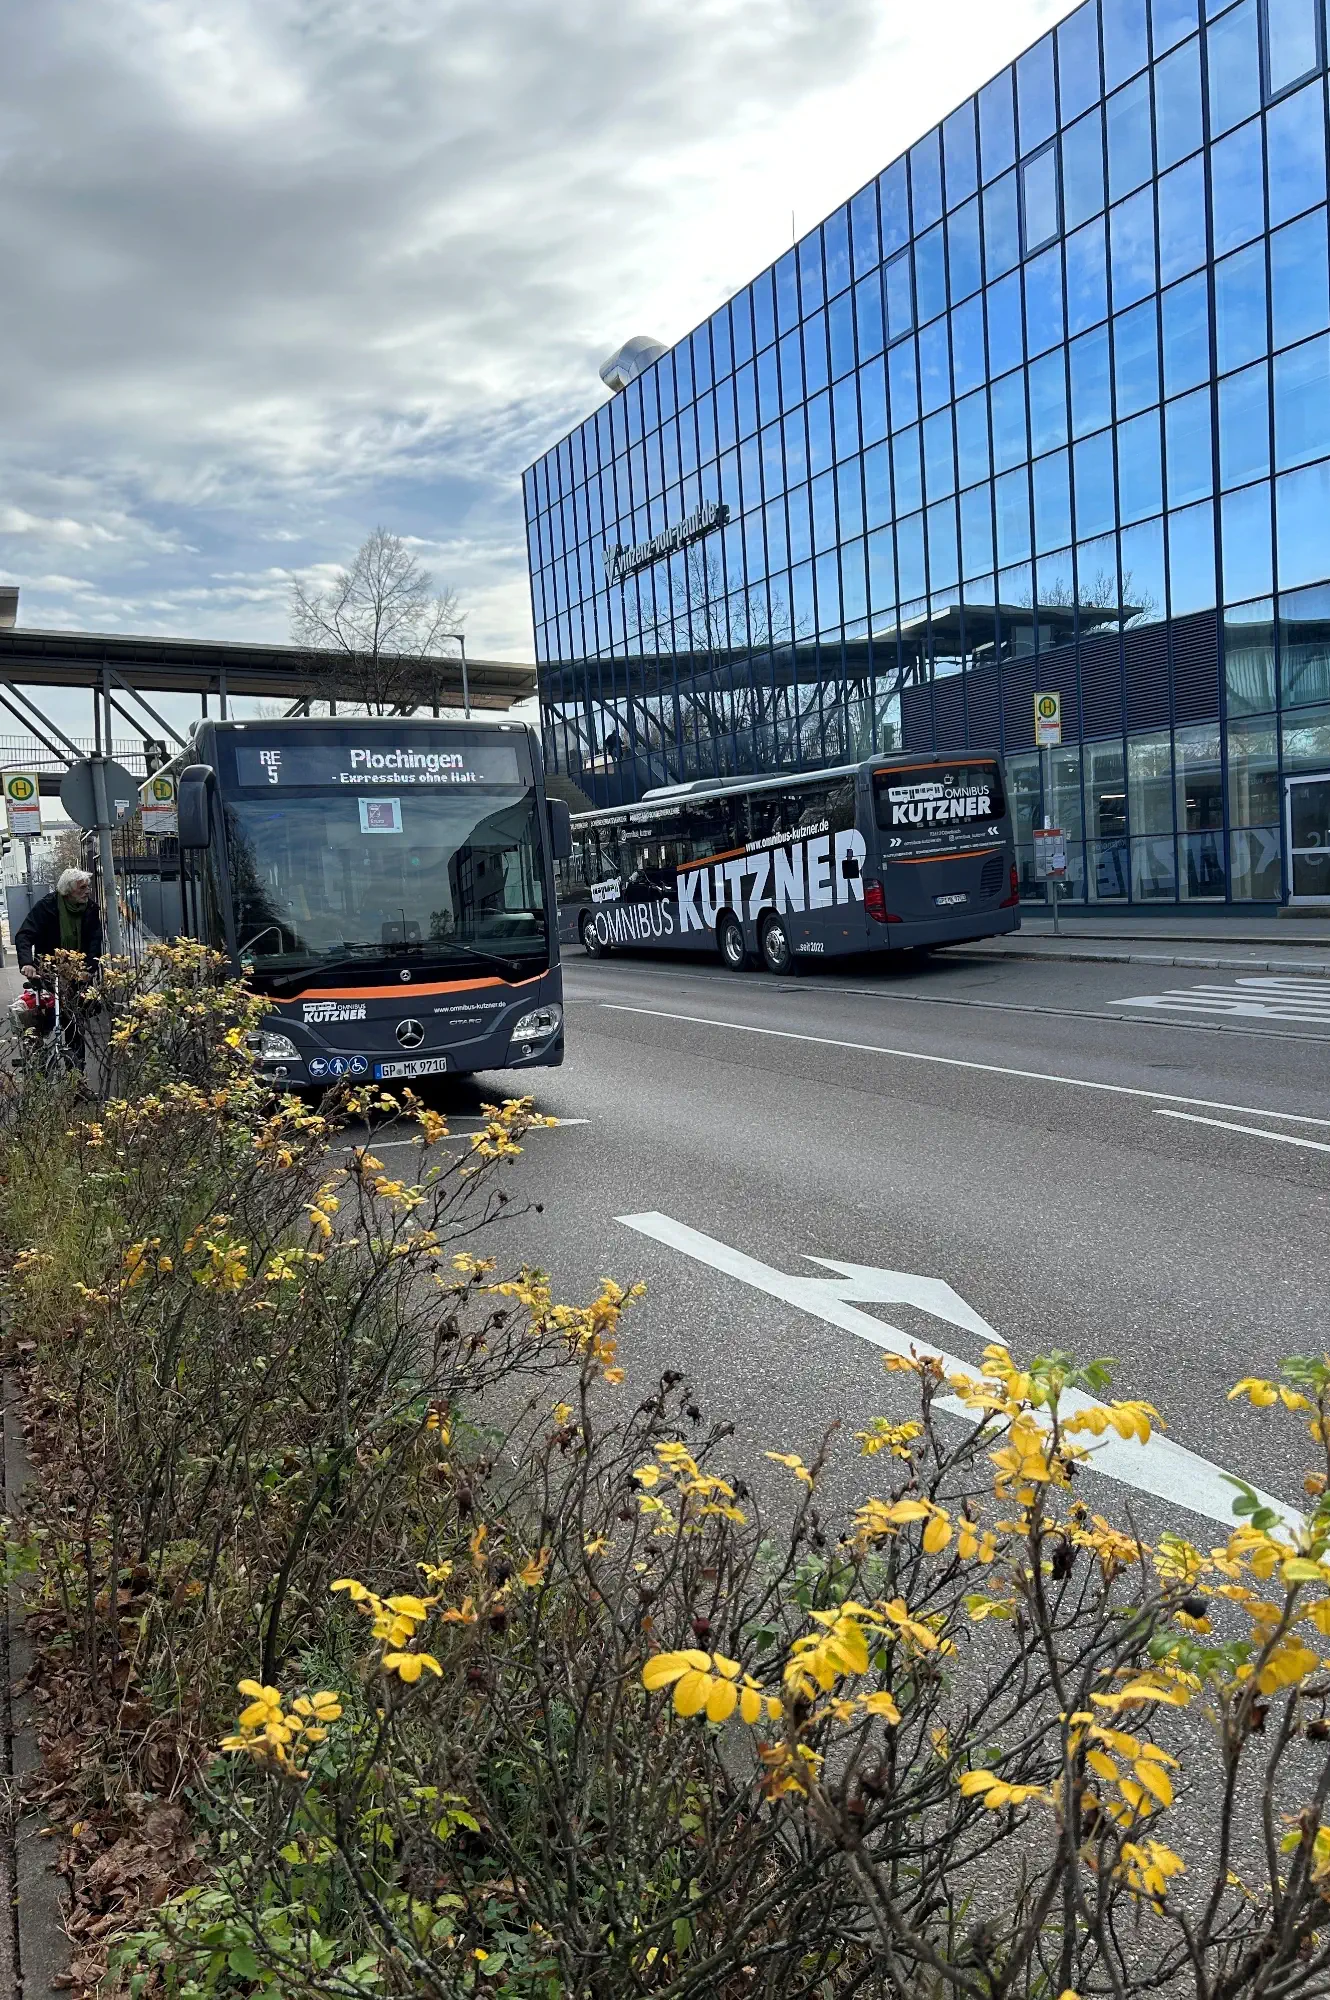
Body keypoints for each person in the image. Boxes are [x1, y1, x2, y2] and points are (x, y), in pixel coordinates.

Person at [15, 868, 104, 977]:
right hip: (50, 972)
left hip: (81, 973)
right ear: (68, 890)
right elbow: (24, 935)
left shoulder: (90, 908)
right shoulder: (47, 906)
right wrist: (27, 963)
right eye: (82, 887)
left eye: (87, 886)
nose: (88, 891)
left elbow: (95, 941)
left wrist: (89, 968)